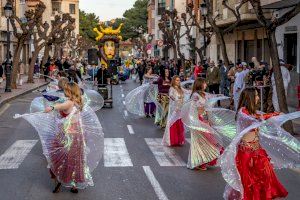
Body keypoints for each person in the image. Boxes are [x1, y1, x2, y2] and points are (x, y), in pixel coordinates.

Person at [220, 88, 297, 200]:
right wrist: (274, 114)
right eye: (256, 95)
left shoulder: (253, 112)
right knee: (249, 181)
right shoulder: (243, 112)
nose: (258, 97)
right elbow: (256, 118)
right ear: (249, 98)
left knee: (266, 175)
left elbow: (260, 117)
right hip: (246, 153)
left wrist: (275, 116)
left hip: (257, 150)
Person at [186, 78, 223, 170]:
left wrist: (219, 95)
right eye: (204, 83)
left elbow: (210, 97)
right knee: (201, 141)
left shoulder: (203, 94)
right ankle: (198, 162)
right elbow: (195, 108)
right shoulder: (195, 95)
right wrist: (198, 120)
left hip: (203, 118)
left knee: (206, 140)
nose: (206, 84)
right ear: (200, 84)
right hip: (197, 120)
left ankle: (204, 160)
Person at [162, 76, 186, 146]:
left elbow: (187, 92)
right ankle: (170, 140)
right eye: (177, 80)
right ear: (174, 81)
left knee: (179, 123)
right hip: (175, 109)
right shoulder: (172, 88)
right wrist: (175, 99)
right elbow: (171, 95)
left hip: (180, 108)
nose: (178, 82)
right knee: (171, 123)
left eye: (179, 80)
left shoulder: (180, 89)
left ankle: (178, 140)